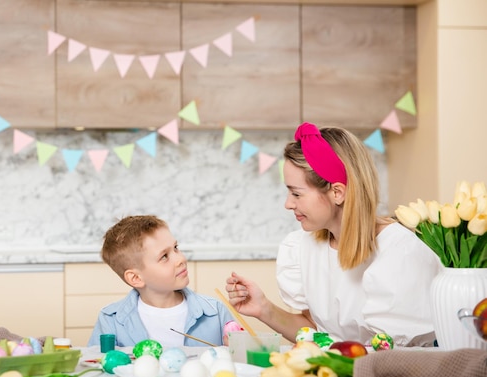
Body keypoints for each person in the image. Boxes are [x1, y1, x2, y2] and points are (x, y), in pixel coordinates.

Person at [226, 122, 443, 347]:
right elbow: (318, 334)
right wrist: (264, 309)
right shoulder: (305, 246)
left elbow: (396, 353)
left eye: (296, 193)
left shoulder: (399, 251)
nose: (288, 204)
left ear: (337, 192)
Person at [88, 215, 234, 348]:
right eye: (164, 256)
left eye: (176, 248)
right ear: (136, 278)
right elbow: (98, 368)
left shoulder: (216, 312)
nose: (181, 259)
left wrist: (235, 351)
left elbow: (241, 364)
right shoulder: (110, 320)